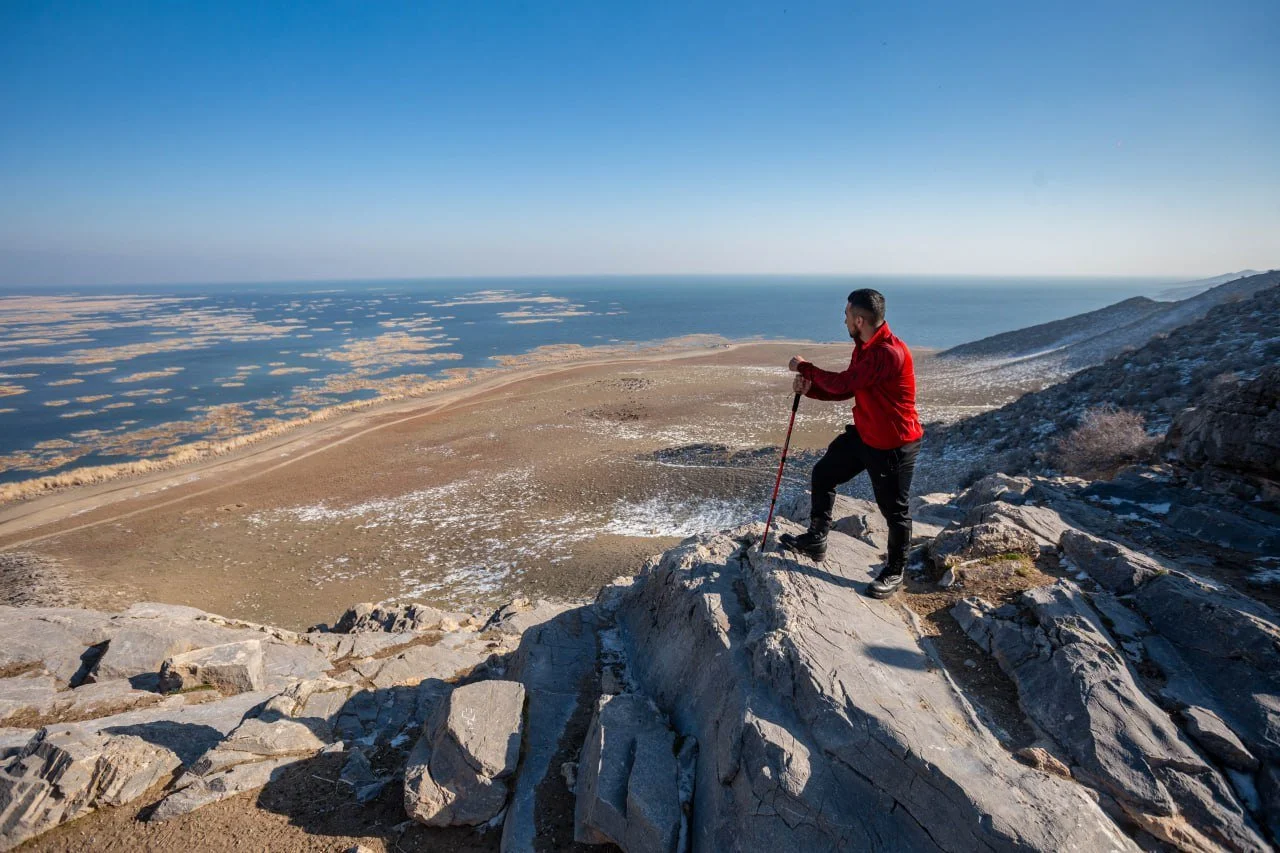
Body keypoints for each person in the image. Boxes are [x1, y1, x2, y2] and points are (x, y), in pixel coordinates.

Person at [781, 288, 924, 599]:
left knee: (894, 510)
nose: (843, 319)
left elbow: (845, 383)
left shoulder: (887, 353)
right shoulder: (864, 345)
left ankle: (895, 570)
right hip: (866, 432)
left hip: (893, 443)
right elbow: (849, 388)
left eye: (846, 315)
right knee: (823, 474)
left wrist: (804, 367)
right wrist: (810, 390)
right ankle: (817, 538)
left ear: (860, 320)